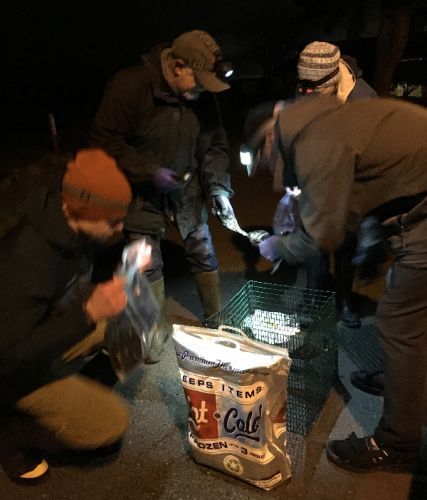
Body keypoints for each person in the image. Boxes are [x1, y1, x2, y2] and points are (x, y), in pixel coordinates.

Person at [241, 95, 427, 472]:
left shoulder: (314, 142)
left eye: (263, 159)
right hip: (415, 204)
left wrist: (274, 245)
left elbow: (322, 237)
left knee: (399, 324)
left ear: (271, 139)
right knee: (412, 316)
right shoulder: (323, 122)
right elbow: (355, 194)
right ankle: (404, 380)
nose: (269, 169)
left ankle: (397, 444)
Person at [0, 148, 142, 484]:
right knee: (111, 423)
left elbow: (67, 289)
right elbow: (7, 355)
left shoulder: (68, 216)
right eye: (112, 222)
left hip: (36, 330)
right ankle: (11, 435)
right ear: (79, 210)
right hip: (7, 365)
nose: (120, 228)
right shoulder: (27, 260)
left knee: (121, 317)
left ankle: (58, 385)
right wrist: (88, 314)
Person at [89, 29, 235, 322]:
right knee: (146, 266)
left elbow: (214, 146)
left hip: (188, 192)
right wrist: (149, 173)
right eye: (199, 83)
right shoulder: (129, 87)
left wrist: (219, 189)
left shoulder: (201, 94)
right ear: (178, 66)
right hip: (142, 197)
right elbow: (105, 143)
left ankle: (217, 321)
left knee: (203, 252)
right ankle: (152, 334)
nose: (202, 92)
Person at [296, 41, 377, 329]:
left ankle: (343, 301)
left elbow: (372, 153)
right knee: (314, 248)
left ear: (332, 78)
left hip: (350, 187)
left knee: (346, 250)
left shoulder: (364, 99)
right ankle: (314, 298)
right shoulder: (307, 86)